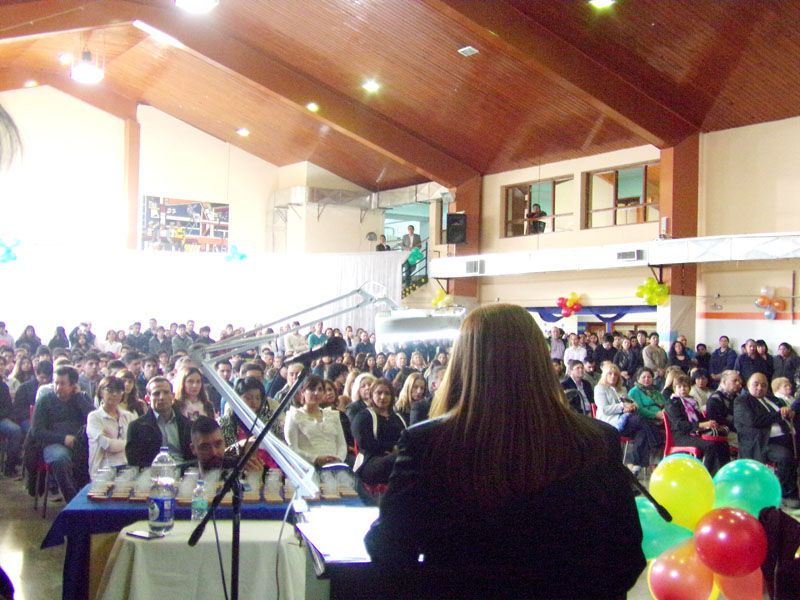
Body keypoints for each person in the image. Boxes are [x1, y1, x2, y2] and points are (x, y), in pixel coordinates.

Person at [364, 304, 645, 599]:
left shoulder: (426, 443)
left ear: (463, 361)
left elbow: (391, 552)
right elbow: (626, 557)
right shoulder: (597, 440)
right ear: (539, 357)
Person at [734, 372, 799, 508]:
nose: (760, 388)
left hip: (785, 438)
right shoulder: (742, 401)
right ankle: (786, 495)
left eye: (764, 385)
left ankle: (792, 489)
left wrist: (788, 413)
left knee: (794, 452)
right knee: (785, 457)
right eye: (756, 384)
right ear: (747, 385)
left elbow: (783, 413)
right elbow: (754, 421)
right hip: (761, 442)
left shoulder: (772, 399)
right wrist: (778, 415)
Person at [31, 365, 94, 502]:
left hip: (81, 444)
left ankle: (92, 498)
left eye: (62, 384)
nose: (58, 387)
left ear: (73, 385)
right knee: (61, 458)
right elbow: (37, 431)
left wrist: (79, 397)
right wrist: (63, 439)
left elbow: (94, 419)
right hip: (54, 444)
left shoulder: (81, 398)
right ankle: (73, 502)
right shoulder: (45, 401)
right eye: (56, 383)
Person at [665, 375, 729, 475]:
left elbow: (701, 419)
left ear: (689, 388)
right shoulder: (672, 403)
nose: (683, 389)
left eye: (685, 386)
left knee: (721, 443)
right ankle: (707, 476)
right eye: (679, 387)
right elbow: (679, 424)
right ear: (675, 388)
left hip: (695, 432)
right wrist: (702, 424)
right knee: (710, 445)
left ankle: (722, 474)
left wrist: (710, 424)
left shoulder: (692, 402)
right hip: (681, 436)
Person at [126, 376, 193, 467]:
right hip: (152, 475)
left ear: (173, 396)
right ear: (148, 399)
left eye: (166, 393)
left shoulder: (188, 425)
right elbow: (134, 462)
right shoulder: (137, 427)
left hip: (185, 473)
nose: (162, 397)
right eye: (156, 393)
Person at [351, 378, 406, 489]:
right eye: (379, 393)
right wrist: (392, 449)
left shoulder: (399, 418)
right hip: (369, 462)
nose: (383, 397)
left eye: (387, 393)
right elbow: (365, 443)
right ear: (371, 394)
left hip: (395, 457)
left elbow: (405, 440)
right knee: (396, 460)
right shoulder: (363, 416)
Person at [284, 375, 347, 468]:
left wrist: (338, 459)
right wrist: (315, 459)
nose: (316, 393)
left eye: (320, 389)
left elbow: (342, 444)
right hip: (308, 467)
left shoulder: (332, 415)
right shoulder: (294, 415)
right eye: (312, 389)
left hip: (335, 466)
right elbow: (292, 448)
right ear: (302, 392)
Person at [87, 376, 136, 476]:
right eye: (110, 390)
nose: (114, 394)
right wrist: (128, 443)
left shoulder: (129, 416)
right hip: (103, 470)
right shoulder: (94, 417)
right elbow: (107, 445)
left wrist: (117, 443)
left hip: (128, 467)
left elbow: (137, 444)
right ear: (101, 392)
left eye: (119, 391)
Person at [190, 416, 263, 476]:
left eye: (218, 444)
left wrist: (256, 479)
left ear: (224, 442)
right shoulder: (184, 474)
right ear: (193, 449)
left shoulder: (241, 469)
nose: (214, 452)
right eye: (205, 447)